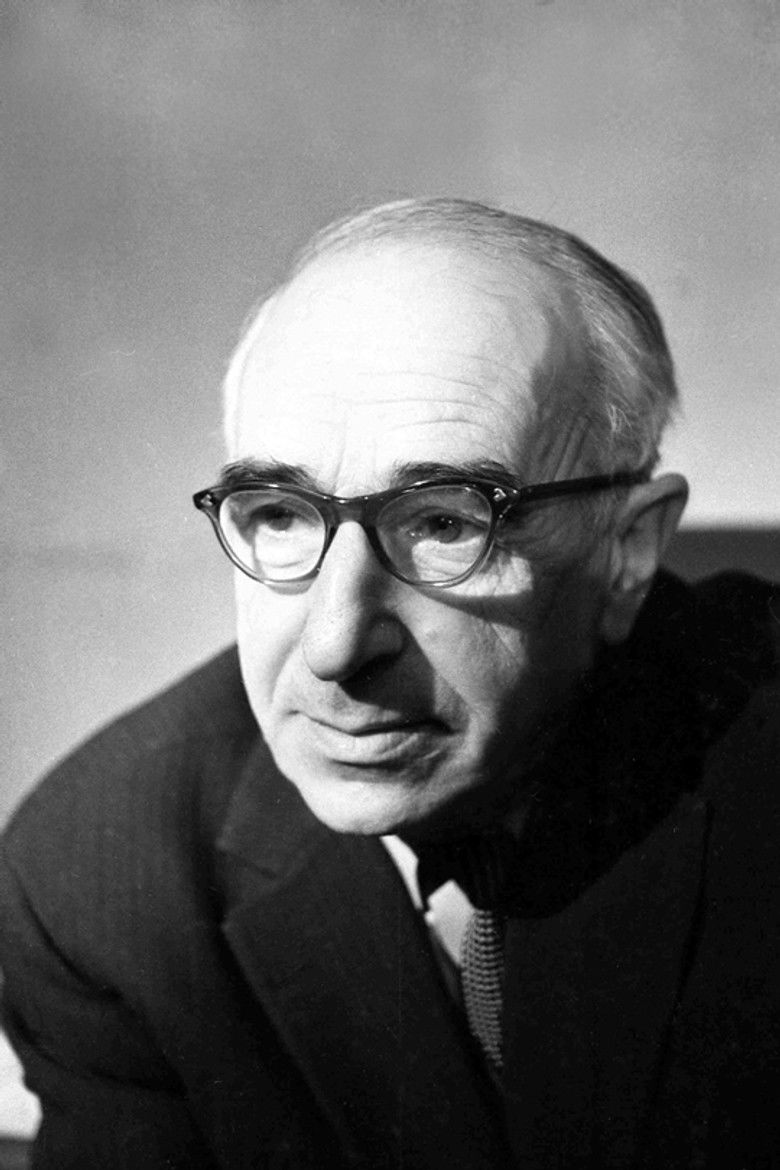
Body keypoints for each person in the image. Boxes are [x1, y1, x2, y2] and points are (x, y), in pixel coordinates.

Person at [1, 198, 778, 1170]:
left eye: (446, 522)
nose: (334, 646)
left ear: (627, 552)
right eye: (280, 514)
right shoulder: (102, 879)